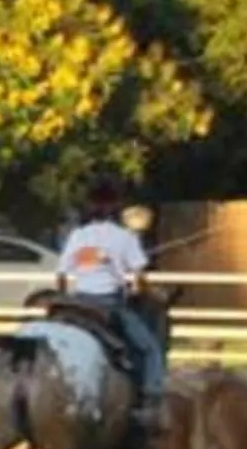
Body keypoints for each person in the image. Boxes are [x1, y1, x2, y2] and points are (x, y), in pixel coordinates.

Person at [57, 178, 167, 427]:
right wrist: (141, 291)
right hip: (109, 304)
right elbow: (139, 278)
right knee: (150, 349)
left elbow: (62, 274)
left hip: (78, 304)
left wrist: (65, 299)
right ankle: (151, 401)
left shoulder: (78, 236)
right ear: (115, 206)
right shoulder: (124, 237)